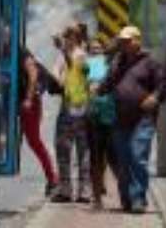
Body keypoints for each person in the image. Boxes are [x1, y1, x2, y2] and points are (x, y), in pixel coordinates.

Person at [99, 25, 166, 213]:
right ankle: (126, 198)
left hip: (143, 118)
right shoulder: (117, 63)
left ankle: (138, 197)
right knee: (122, 160)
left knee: (138, 156)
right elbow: (106, 85)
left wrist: (154, 97)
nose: (124, 44)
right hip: (120, 118)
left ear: (137, 41)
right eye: (122, 41)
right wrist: (98, 87)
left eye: (127, 41)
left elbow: (163, 85)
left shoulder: (150, 62)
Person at [51, 26, 91, 203]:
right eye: (66, 35)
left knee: (83, 151)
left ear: (78, 38)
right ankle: (66, 189)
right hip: (66, 106)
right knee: (63, 150)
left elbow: (77, 69)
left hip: (81, 107)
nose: (67, 39)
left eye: (70, 36)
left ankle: (84, 191)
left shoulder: (81, 55)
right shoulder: (62, 56)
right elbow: (57, 79)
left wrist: (63, 51)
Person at [19, 47, 59, 196]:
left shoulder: (20, 51)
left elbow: (33, 73)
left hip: (29, 101)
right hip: (13, 100)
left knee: (34, 141)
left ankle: (53, 178)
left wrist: (29, 99)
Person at [85, 39, 118, 210]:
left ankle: (126, 194)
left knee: (114, 157)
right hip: (94, 115)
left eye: (101, 48)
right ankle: (97, 197)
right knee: (96, 156)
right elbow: (83, 83)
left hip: (113, 116)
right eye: (94, 48)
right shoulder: (90, 63)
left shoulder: (120, 64)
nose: (98, 51)